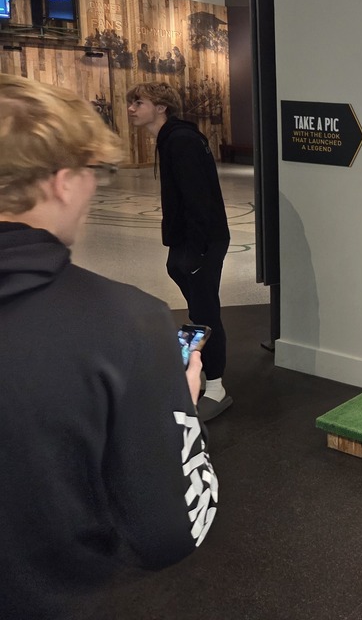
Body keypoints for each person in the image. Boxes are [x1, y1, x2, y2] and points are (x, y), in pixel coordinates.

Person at [0, 75, 217, 616]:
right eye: (93, 171)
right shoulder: (128, 324)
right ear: (63, 181)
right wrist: (180, 413)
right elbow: (175, 529)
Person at [127, 81, 232, 420]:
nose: (131, 108)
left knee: (205, 312)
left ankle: (216, 386)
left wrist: (198, 252)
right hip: (187, 241)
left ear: (161, 107)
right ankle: (199, 371)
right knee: (198, 311)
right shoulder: (172, 138)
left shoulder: (182, 141)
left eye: (138, 102)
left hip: (201, 241)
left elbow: (198, 201)